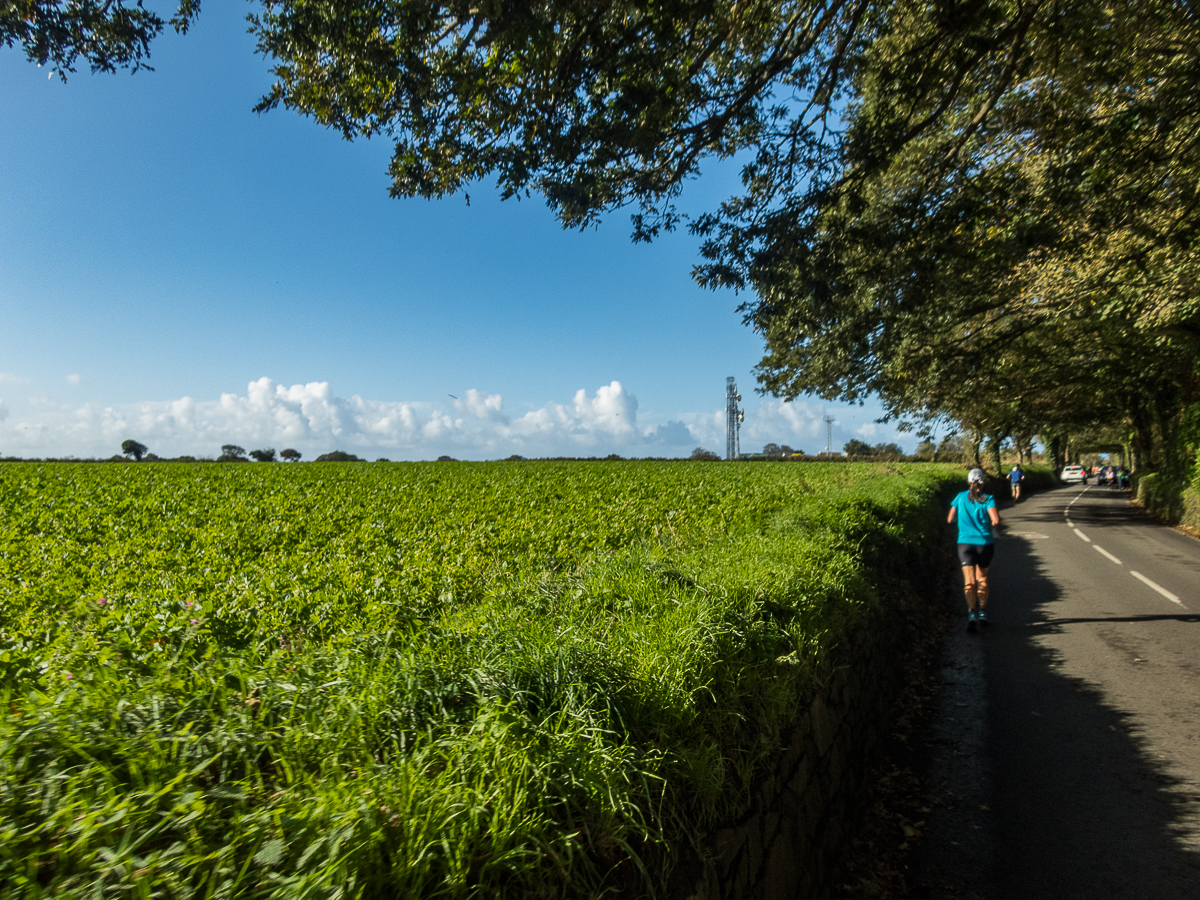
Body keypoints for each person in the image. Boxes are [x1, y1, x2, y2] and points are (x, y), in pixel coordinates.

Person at [948, 468, 1001, 633]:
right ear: (983, 483)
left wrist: (962, 522)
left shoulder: (960, 497)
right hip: (984, 543)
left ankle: (971, 614)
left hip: (964, 544)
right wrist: (988, 526)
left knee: (969, 581)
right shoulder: (988, 499)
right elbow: (995, 519)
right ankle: (983, 613)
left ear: (968, 482)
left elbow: (950, 519)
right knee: (982, 578)